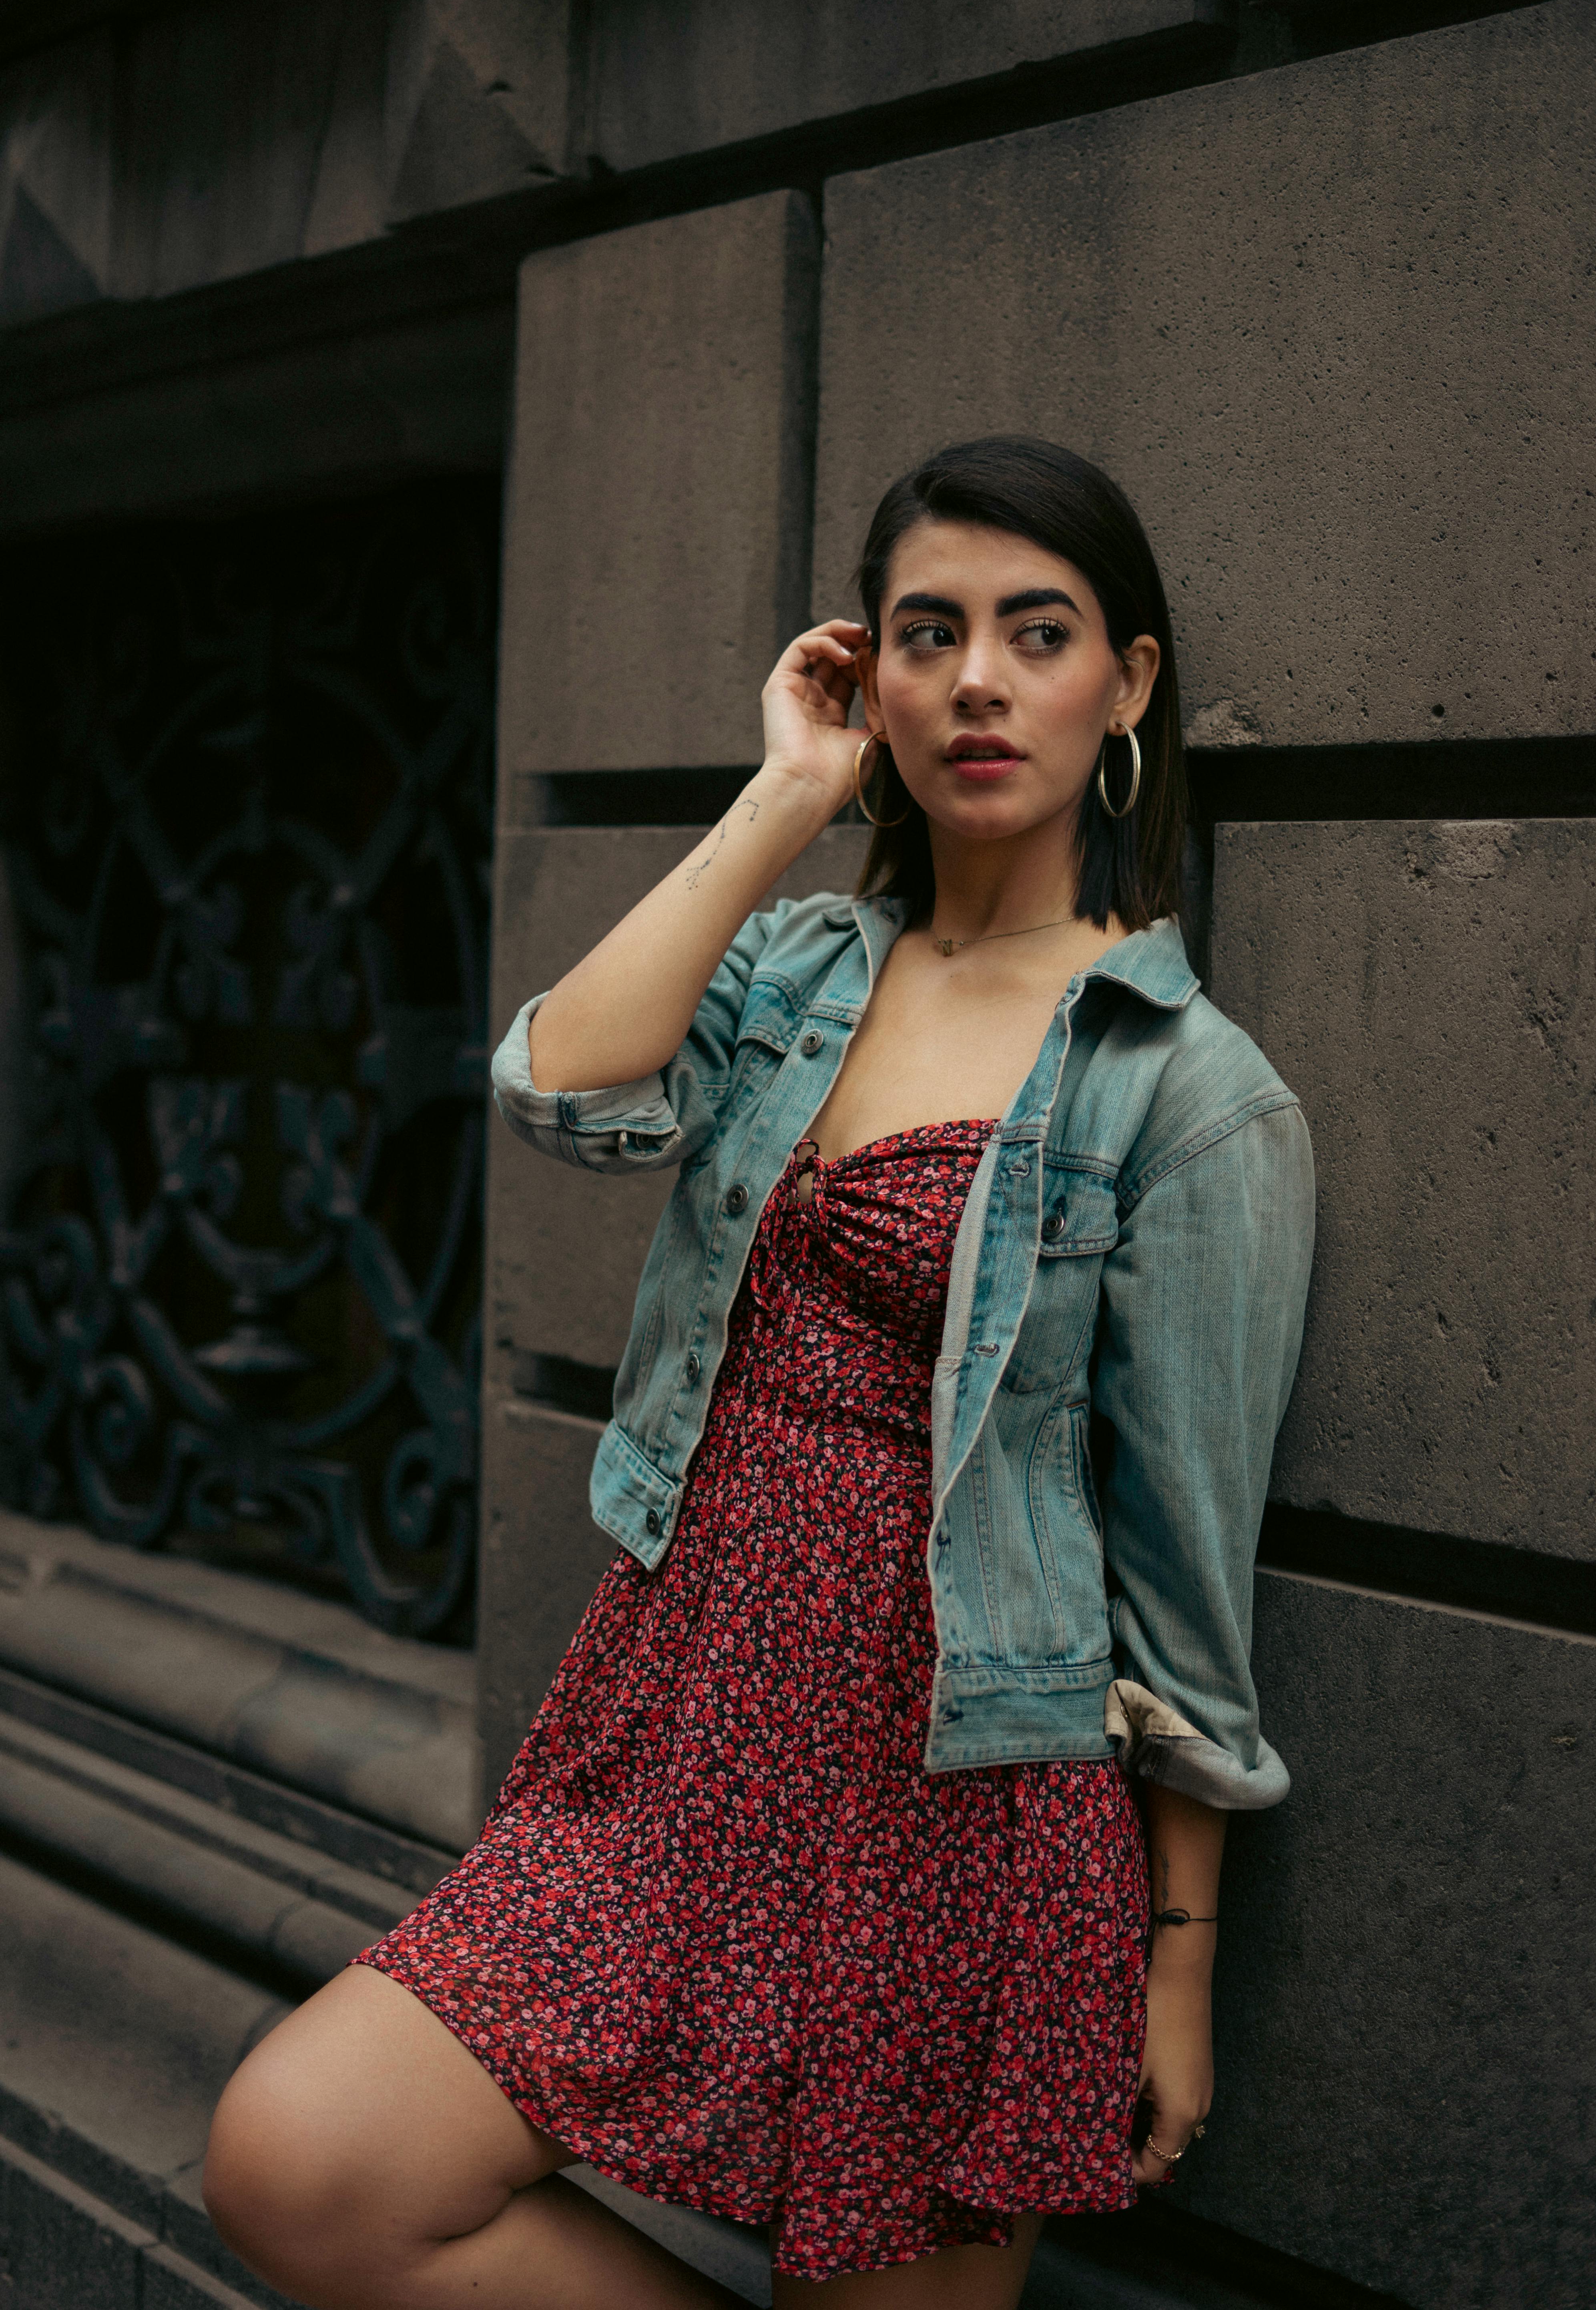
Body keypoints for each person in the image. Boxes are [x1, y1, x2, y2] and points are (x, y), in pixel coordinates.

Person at [203, 436, 1315, 2310]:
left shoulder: (1186, 1095)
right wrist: (785, 798)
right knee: (305, 2165)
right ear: (865, 676)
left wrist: (1175, 1971)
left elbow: (1185, 1568)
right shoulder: (802, 966)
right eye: (926, 633)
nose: (975, 679)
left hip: (956, 1812)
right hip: (675, 1741)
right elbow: (559, 1087)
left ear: (1125, 685)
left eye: (1035, 635)